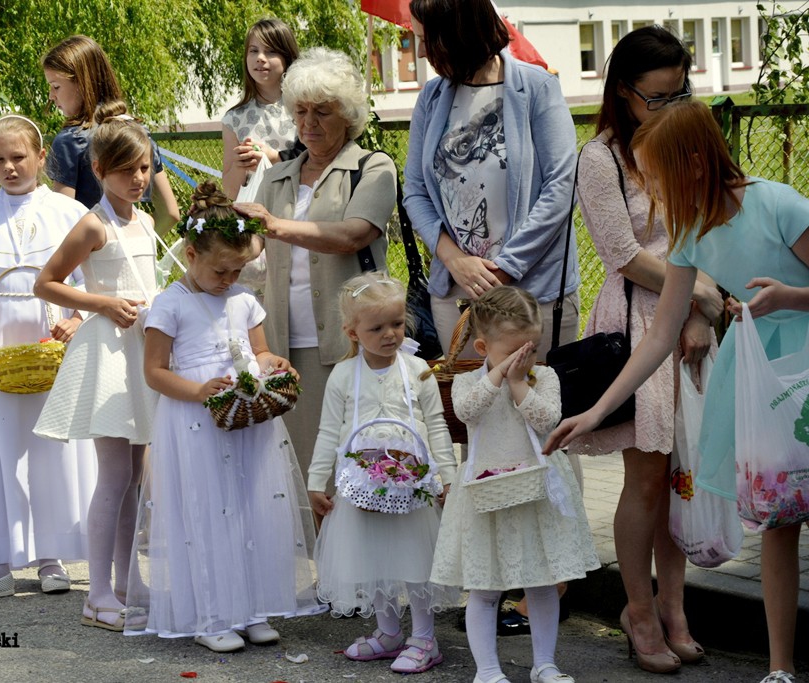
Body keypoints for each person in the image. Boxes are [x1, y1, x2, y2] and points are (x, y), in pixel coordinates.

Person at [544, 98, 809, 683]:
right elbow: (660, 335)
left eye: (655, 175)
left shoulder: (780, 204)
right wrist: (596, 411)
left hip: (803, 363)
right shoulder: (691, 234)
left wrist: (789, 298)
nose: (653, 191)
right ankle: (782, 668)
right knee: (779, 517)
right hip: (760, 375)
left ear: (693, 162)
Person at [569, 26, 722, 673]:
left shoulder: (684, 144)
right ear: (623, 92)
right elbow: (623, 256)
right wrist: (698, 291)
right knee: (648, 476)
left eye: (678, 92)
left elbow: (709, 222)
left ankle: (676, 605)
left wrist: (700, 309)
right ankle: (639, 609)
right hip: (638, 321)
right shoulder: (599, 157)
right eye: (656, 97)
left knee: (682, 476)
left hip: (691, 318)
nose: (668, 106)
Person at [125, 181, 324, 652]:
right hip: (194, 425)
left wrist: (274, 365)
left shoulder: (243, 301)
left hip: (245, 422)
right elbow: (153, 373)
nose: (230, 279)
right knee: (206, 514)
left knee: (250, 510)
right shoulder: (170, 304)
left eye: (238, 269)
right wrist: (197, 391)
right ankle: (211, 613)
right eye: (221, 270)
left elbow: (259, 352)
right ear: (190, 253)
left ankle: (250, 607)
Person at [0, 113, 95, 602]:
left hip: (54, 350)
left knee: (54, 454)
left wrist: (77, 320)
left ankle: (52, 555)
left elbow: (92, 283)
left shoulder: (70, 216)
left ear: (42, 157)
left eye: (19, 157)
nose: (9, 167)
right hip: (3, 356)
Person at [235, 47, 398, 489]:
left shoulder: (372, 166)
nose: (308, 123)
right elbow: (253, 250)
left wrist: (273, 224)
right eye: (300, 111)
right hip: (287, 347)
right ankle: (323, 559)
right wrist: (216, 229)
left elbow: (352, 235)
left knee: (363, 470)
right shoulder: (277, 176)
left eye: (322, 112)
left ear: (347, 115)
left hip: (351, 341)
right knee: (309, 478)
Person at [430, 286, 599, 683]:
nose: (525, 358)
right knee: (485, 588)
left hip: (536, 492)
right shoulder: (468, 381)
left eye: (532, 349)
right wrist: (497, 376)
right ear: (482, 346)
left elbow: (547, 421)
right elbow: (467, 412)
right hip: (487, 495)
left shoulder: (545, 377)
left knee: (541, 582)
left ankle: (545, 663)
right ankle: (487, 670)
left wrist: (521, 383)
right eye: (512, 352)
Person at [33, 104, 159, 630]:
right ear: (100, 171)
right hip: (109, 354)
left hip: (142, 353)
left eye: (145, 168)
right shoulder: (93, 224)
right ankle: (97, 593)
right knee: (112, 476)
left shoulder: (147, 220)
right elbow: (46, 282)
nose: (138, 178)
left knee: (135, 475)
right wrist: (101, 304)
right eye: (126, 169)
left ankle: (128, 578)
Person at [403, 0, 578, 359]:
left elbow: (562, 188)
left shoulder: (537, 88)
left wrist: (505, 270)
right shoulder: (430, 99)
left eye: (427, 39)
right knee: (468, 410)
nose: (421, 53)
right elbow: (415, 192)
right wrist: (455, 261)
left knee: (539, 407)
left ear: (458, 34)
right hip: (456, 295)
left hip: (534, 297)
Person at [309, 273, 457, 674]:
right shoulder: (342, 376)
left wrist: (446, 474)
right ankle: (389, 632)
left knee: (415, 560)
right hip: (361, 488)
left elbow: (438, 425)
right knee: (375, 559)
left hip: (413, 487)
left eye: (396, 324)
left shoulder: (418, 369)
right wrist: (315, 481)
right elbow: (327, 432)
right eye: (376, 328)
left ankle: (424, 637)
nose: (389, 334)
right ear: (352, 332)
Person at [42, 34, 180, 232]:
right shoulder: (137, 131)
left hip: (89, 258)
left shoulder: (70, 140)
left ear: (82, 83)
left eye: (56, 86)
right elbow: (170, 212)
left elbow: (63, 224)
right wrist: (141, 243)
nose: (51, 96)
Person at [221, 18, 300, 200]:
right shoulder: (233, 120)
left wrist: (273, 157)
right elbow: (230, 192)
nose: (260, 58)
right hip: (254, 215)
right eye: (254, 51)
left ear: (287, 57)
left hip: (298, 209)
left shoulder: (303, 108)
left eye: (270, 51)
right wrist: (242, 164)